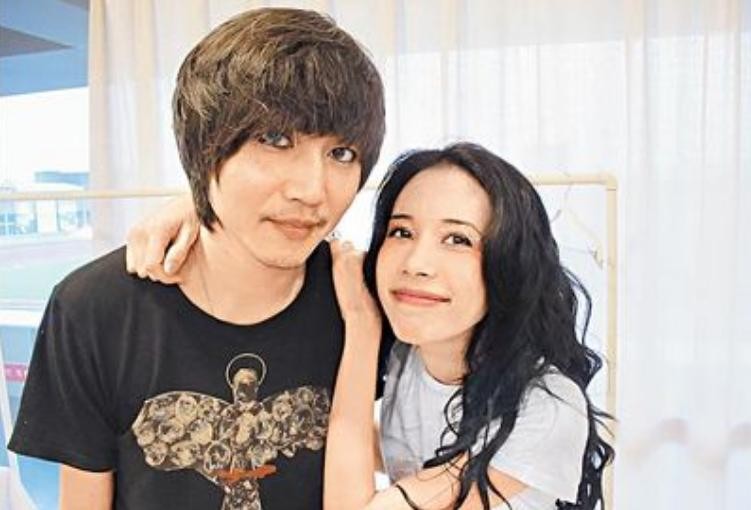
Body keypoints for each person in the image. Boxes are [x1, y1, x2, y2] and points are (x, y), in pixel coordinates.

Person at [8, 7, 385, 510]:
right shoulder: (96, 309)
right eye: (275, 140)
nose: (312, 190)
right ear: (205, 147)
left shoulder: (361, 300)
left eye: (341, 154)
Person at [130, 143, 615, 509]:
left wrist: (362, 325)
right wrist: (199, 207)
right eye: (402, 231)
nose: (417, 263)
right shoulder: (412, 352)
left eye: (457, 239)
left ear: (510, 264)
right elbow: (291, 235)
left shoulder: (547, 407)